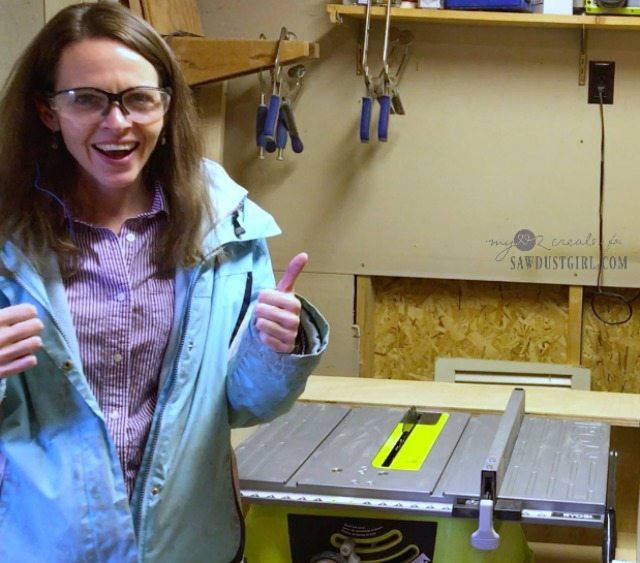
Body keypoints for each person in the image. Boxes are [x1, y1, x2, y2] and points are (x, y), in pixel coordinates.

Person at [0, 2, 328, 562]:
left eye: (137, 98)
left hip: (188, 543)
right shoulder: (9, 233)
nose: (117, 123)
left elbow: (243, 405)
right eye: (87, 100)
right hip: (45, 544)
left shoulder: (225, 225)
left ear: (166, 105)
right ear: (47, 110)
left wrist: (274, 349)